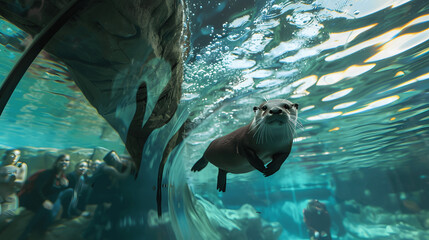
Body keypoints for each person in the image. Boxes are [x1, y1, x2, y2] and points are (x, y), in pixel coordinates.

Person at [17, 154, 70, 240]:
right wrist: (44, 201)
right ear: (56, 162)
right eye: (62, 160)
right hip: (31, 198)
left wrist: (63, 186)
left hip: (44, 201)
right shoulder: (48, 173)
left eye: (67, 160)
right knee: (46, 209)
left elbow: (54, 193)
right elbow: (36, 189)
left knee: (48, 212)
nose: (64, 162)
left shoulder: (62, 178)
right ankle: (26, 233)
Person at [84, 150, 133, 239]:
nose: (117, 159)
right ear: (110, 161)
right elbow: (123, 176)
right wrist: (130, 165)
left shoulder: (106, 166)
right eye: (114, 158)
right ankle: (109, 223)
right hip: (94, 196)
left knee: (106, 205)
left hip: (99, 193)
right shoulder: (108, 168)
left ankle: (102, 223)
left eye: (116, 156)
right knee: (116, 199)